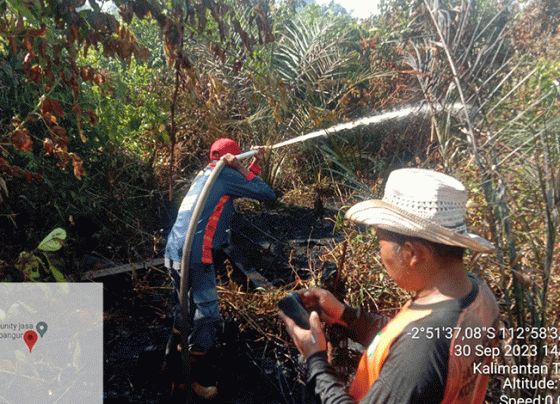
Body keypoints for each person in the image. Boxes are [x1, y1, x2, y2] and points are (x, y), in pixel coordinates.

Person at [279, 168, 500, 404]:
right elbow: (408, 344)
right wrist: (347, 316)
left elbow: (418, 351)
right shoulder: (478, 294)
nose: (380, 254)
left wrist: (315, 358)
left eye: (380, 242)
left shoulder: (421, 349)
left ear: (412, 253)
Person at [164, 137, 276, 399]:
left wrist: (253, 165)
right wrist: (240, 168)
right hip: (195, 253)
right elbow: (266, 194)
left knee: (185, 314)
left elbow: (241, 186)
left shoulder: (206, 174)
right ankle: (190, 383)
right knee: (207, 319)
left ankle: (168, 368)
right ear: (233, 159)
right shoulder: (226, 174)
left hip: (174, 251)